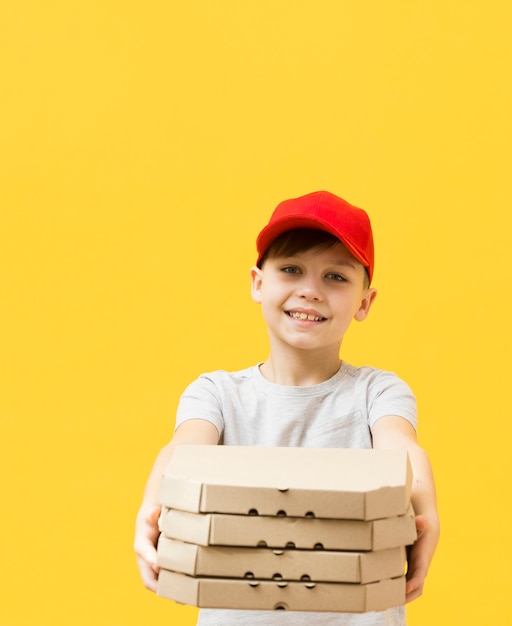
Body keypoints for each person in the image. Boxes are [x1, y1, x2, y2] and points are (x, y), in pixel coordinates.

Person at [134, 190, 440, 625]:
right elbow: (182, 451)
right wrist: (151, 509)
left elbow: (404, 452)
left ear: (365, 302)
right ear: (258, 283)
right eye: (291, 269)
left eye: (336, 277)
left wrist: (426, 511)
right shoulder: (217, 393)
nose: (310, 291)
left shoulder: (378, 391)